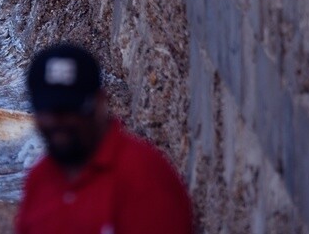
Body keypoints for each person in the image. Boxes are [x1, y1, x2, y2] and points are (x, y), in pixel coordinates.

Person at [13, 43, 193, 234]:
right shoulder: (39, 180)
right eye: (47, 110)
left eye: (68, 110)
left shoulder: (145, 177)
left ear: (100, 103)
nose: (57, 123)